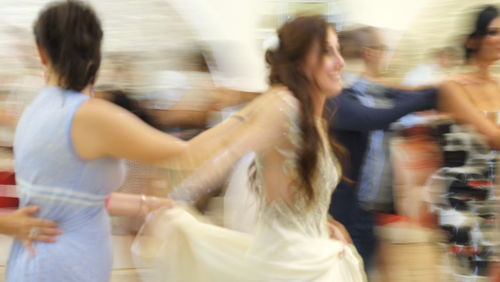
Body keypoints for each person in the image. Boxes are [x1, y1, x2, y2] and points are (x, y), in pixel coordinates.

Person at [5, 1, 267, 281]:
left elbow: (75, 197)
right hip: (68, 265)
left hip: (35, 262)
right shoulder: (89, 115)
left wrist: (142, 204)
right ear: (96, 52)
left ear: (41, 53)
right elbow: (188, 154)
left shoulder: (36, 110)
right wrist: (253, 109)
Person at [132, 15, 366, 282]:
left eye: (339, 50)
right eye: (328, 52)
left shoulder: (313, 119)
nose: (341, 62)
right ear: (300, 61)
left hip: (312, 256)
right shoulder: (283, 105)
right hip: (287, 264)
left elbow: (298, 195)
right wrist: (178, 199)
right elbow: (228, 155)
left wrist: (322, 223)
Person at [327, 26, 437, 272]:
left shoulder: (371, 89)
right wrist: (437, 94)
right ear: (369, 52)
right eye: (383, 48)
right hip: (345, 210)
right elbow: (374, 118)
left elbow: (402, 97)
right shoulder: (340, 94)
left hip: (367, 208)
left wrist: (438, 93)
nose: (386, 55)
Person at [436, 5, 500, 280]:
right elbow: (492, 136)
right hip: (464, 203)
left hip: (495, 200)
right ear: (472, 40)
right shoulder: (453, 86)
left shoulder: (498, 85)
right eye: (493, 32)